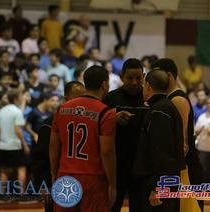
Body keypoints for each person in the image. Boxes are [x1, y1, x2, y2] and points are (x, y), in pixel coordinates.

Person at [50, 65, 117, 212]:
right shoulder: (106, 112)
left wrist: (54, 173)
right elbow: (107, 152)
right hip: (93, 179)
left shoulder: (62, 108)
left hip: (65, 175)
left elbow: (53, 145)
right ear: (105, 84)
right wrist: (112, 183)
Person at [151, 58, 204, 211]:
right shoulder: (169, 98)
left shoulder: (177, 99)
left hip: (187, 168)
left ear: (168, 75)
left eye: (158, 75)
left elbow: (183, 144)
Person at [133, 70, 185, 212]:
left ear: (148, 86)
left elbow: (161, 153)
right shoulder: (167, 107)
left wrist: (156, 188)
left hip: (160, 184)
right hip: (168, 180)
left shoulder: (159, 111)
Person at [32, 81, 85, 212]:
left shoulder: (86, 121)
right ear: (67, 98)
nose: (82, 102)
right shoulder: (50, 123)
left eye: (84, 98)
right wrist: (44, 185)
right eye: (77, 98)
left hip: (82, 182)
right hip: (56, 183)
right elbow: (40, 158)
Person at [103, 58, 146, 212]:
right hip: (116, 165)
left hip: (142, 165)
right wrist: (112, 119)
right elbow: (98, 126)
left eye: (138, 78)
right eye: (130, 78)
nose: (134, 82)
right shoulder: (110, 98)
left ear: (144, 76)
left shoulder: (149, 98)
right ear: (121, 76)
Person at [0, 89, 30, 195]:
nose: (21, 98)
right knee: (21, 169)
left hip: (3, 145)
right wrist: (24, 144)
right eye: (19, 97)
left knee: (4, 171)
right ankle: (22, 195)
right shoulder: (17, 111)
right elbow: (18, 129)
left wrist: (5, 134)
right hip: (15, 145)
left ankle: (2, 195)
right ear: (15, 98)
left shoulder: (2, 110)